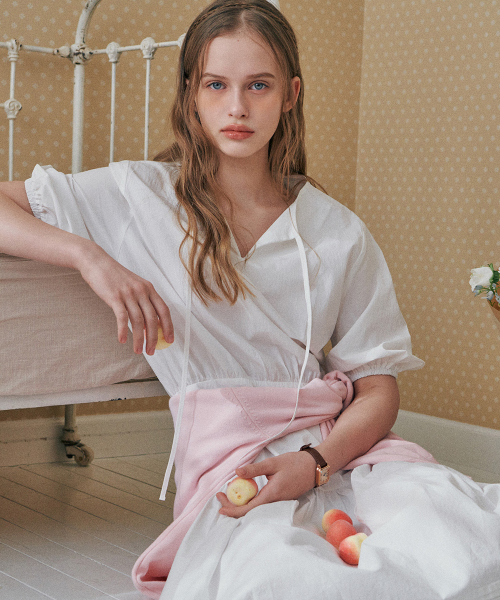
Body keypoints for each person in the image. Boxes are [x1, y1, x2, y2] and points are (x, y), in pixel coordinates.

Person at [1, 1, 499, 599]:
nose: (237, 107)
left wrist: (314, 462)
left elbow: (377, 387)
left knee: (466, 538)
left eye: (258, 85)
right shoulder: (139, 195)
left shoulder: (337, 230)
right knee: (286, 579)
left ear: (290, 95)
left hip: (342, 450)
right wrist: (90, 258)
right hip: (239, 468)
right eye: (217, 84)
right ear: (191, 94)